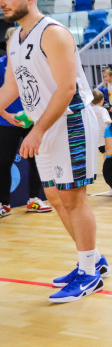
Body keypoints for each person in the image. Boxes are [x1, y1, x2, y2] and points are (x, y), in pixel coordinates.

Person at [0, 0, 104, 302]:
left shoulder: (54, 33)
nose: (2, 3)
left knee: (74, 198)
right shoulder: (13, 38)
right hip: (43, 123)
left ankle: (90, 274)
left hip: (69, 121)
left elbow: (68, 88)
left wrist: (38, 130)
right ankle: (93, 259)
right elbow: (11, 87)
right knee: (56, 199)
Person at [0, 29, 50, 215]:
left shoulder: (35, 65)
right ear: (7, 44)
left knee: (37, 160)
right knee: (3, 162)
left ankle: (35, 200)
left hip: (33, 121)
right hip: (5, 121)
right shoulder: (0, 65)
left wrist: (37, 116)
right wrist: (6, 115)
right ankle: (4, 204)